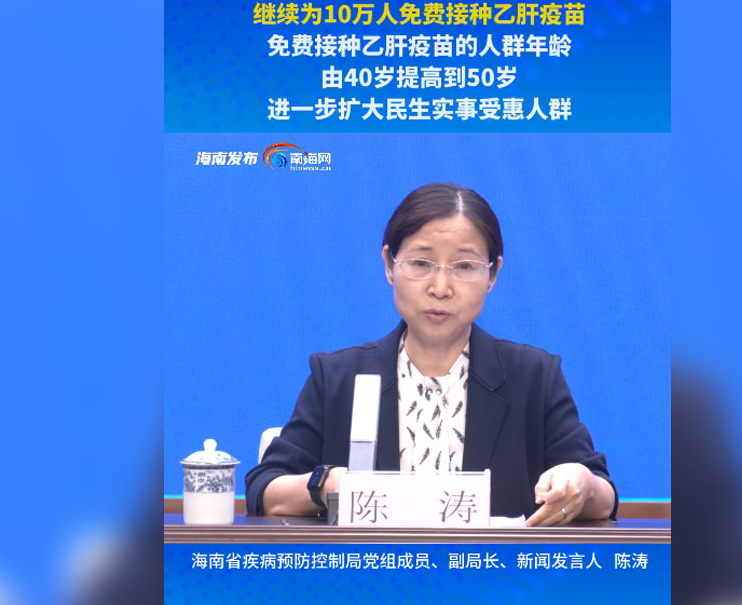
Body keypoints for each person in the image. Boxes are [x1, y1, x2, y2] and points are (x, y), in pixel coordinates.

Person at [245, 183, 617, 526]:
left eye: (464, 266)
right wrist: (326, 484)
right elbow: (264, 489)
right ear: (390, 265)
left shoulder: (533, 377)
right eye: (421, 263)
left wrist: (580, 482)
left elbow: (603, 497)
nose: (440, 287)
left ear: (492, 275)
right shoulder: (339, 377)